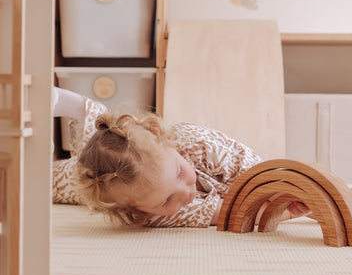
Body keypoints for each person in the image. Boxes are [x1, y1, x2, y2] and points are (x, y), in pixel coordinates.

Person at [52, 87, 310, 227]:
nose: (185, 193)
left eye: (179, 173)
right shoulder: (156, 215)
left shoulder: (196, 142)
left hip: (113, 146)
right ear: (135, 209)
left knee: (95, 119)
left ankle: (66, 102)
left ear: (161, 136)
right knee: (51, 180)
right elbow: (228, 212)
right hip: (79, 177)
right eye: (166, 200)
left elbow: (246, 163)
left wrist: (277, 188)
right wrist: (280, 213)